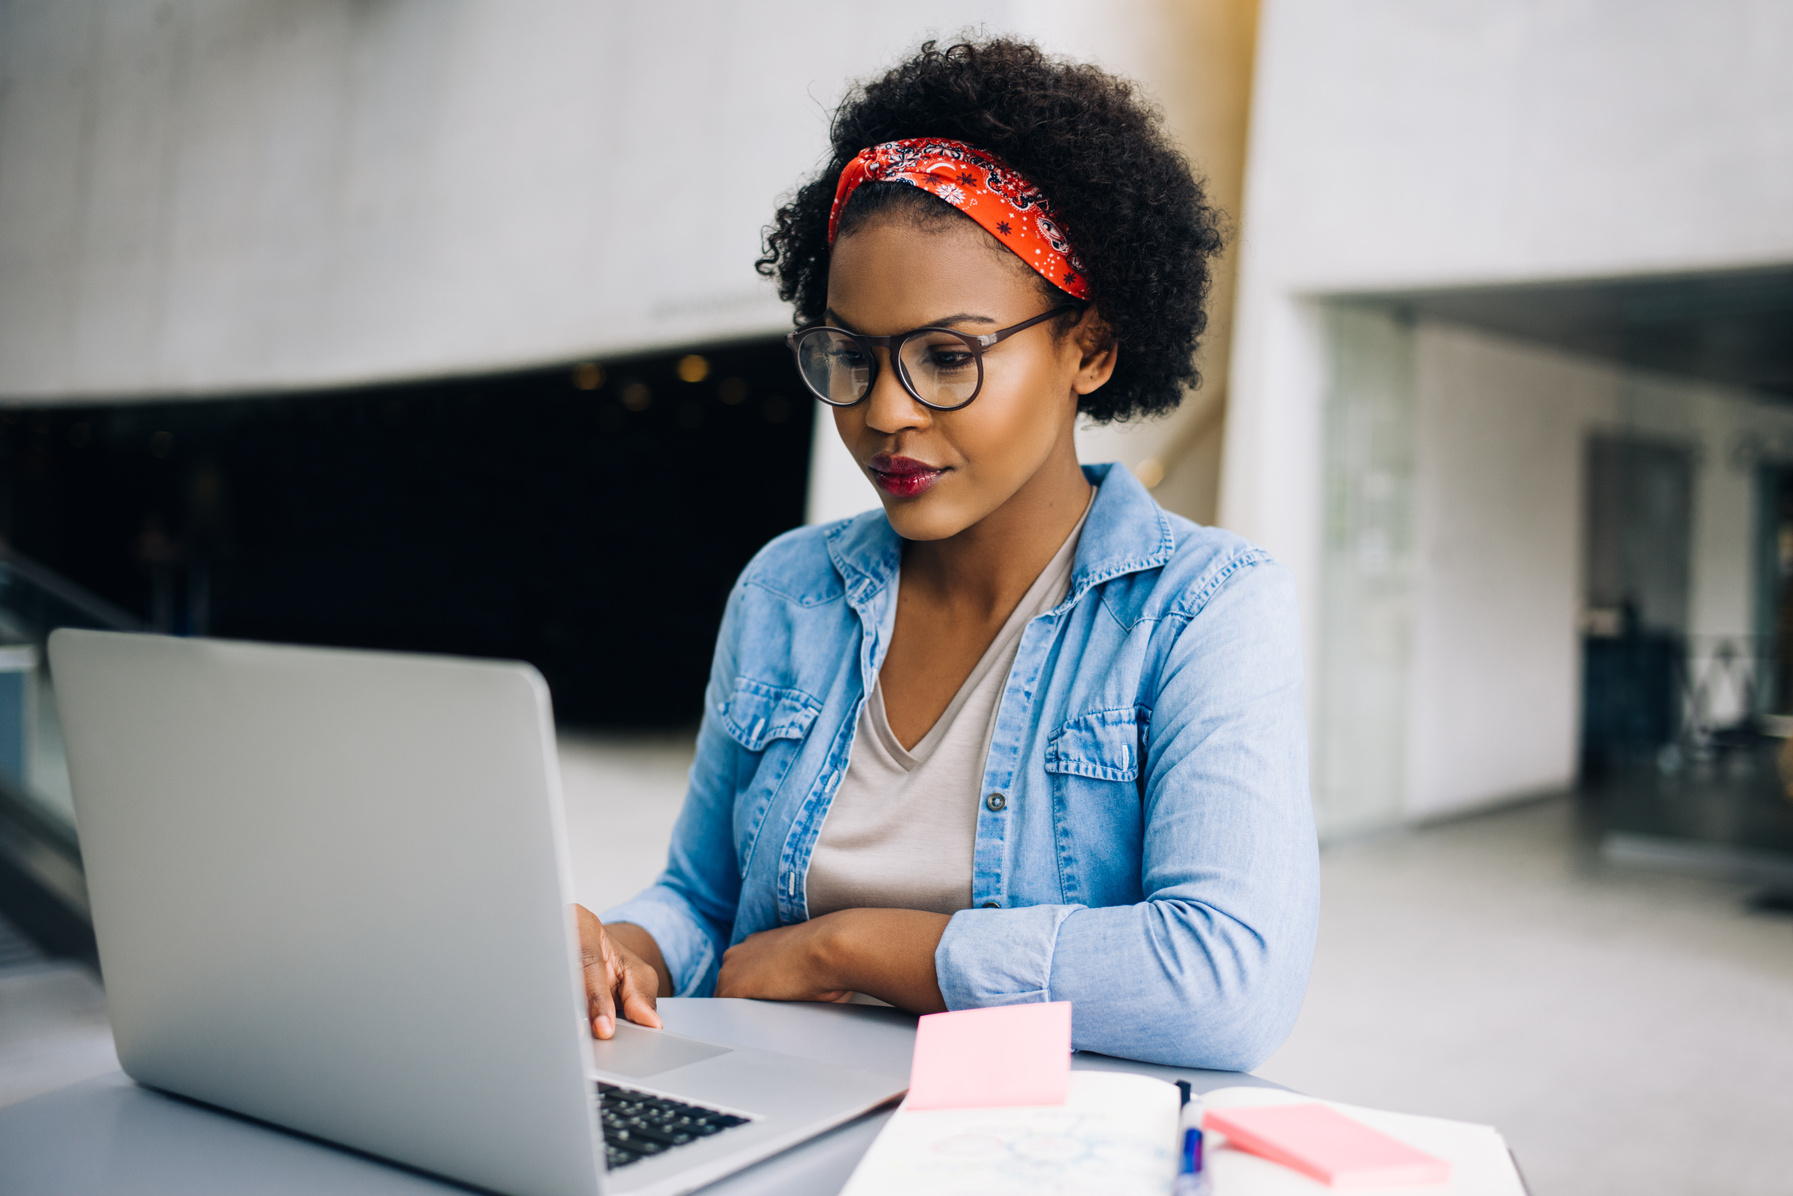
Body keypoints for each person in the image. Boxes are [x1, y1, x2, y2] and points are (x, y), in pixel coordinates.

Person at [579, 38, 1317, 1071]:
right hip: (767, 1105)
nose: (884, 412)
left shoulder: (1200, 609)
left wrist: (858, 945)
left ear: (1088, 350)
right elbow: (703, 900)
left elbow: (1221, 979)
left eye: (947, 357)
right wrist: (626, 947)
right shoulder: (786, 591)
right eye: (850, 355)